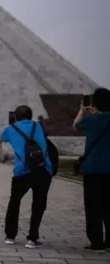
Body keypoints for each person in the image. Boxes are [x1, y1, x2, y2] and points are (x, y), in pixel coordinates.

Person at [0, 105, 53, 249]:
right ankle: (32, 239)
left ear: (16, 117)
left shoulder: (10, 129)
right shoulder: (39, 126)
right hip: (43, 169)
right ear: (31, 115)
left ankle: (10, 236)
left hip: (22, 171)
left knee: (14, 203)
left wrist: (2, 137)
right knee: (38, 205)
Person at [73, 87, 110, 252]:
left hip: (93, 169)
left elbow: (75, 125)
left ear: (94, 103)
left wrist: (82, 111)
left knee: (94, 206)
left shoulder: (91, 119)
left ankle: (96, 241)